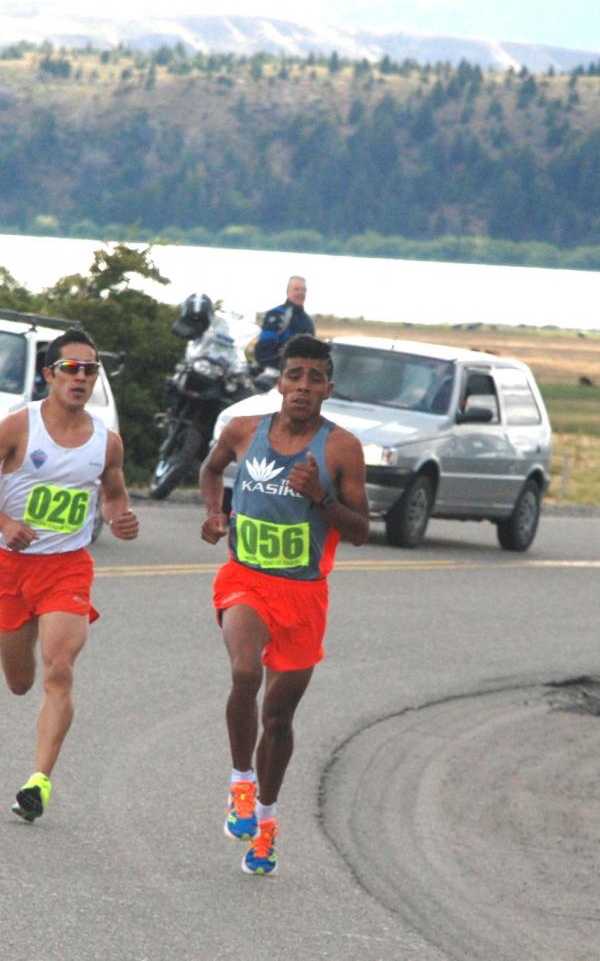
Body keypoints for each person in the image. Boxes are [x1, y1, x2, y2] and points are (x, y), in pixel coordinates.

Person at [197, 334, 369, 875]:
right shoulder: (245, 430)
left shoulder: (342, 449)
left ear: (328, 389)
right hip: (245, 579)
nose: (302, 387)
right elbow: (211, 470)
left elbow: (362, 530)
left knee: (279, 716)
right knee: (245, 673)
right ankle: (240, 785)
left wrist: (322, 497)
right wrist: (215, 514)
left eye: (315, 378)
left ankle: (266, 825)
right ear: (280, 382)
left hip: (304, 594)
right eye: (295, 375)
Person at [0, 327, 139, 821]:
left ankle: (38, 782)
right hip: (12, 568)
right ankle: (24, 655)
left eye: (90, 369)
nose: (81, 377)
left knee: (59, 670)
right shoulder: (19, 426)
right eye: (70, 368)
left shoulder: (107, 442)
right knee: (20, 682)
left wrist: (120, 515)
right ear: (49, 375)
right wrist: (4, 522)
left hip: (68, 569)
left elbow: (114, 492)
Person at [252, 275, 315, 371]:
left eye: (303, 290)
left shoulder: (308, 322)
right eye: (296, 289)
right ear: (288, 292)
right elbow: (263, 352)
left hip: (299, 375)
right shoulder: (277, 314)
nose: (301, 293)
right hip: (275, 374)